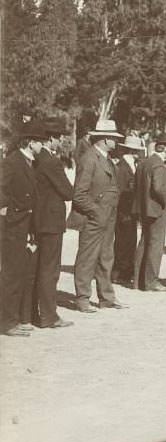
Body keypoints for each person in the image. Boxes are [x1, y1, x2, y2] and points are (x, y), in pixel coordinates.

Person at [70, 119, 127, 312]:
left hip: (107, 217)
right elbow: (79, 194)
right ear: (103, 139)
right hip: (93, 219)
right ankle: (82, 298)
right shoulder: (89, 159)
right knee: (87, 258)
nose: (116, 141)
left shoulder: (106, 159)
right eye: (113, 138)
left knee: (105, 257)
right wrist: (96, 212)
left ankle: (106, 297)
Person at [0, 120, 47, 336]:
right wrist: (9, 212)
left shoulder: (29, 162)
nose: (42, 147)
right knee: (11, 273)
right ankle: (7, 322)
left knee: (19, 272)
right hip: (13, 226)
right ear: (30, 143)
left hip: (24, 225)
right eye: (40, 143)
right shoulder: (12, 162)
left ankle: (14, 317)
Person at [31, 118, 75, 329]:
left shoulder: (35, 159)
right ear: (50, 139)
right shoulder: (51, 161)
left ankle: (32, 312)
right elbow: (68, 192)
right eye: (59, 138)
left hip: (37, 220)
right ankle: (49, 315)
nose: (61, 141)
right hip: (51, 221)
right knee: (50, 269)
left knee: (37, 267)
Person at [134, 134, 166, 292]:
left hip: (144, 208)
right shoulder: (159, 165)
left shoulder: (144, 163)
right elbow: (158, 188)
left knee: (144, 243)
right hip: (157, 209)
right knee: (155, 245)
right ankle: (151, 281)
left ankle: (137, 280)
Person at [111, 134, 145, 286]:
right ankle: (119, 271)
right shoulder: (122, 167)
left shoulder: (129, 165)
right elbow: (120, 191)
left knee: (129, 241)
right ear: (132, 151)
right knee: (123, 242)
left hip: (129, 211)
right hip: (124, 211)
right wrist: (122, 212)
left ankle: (124, 270)